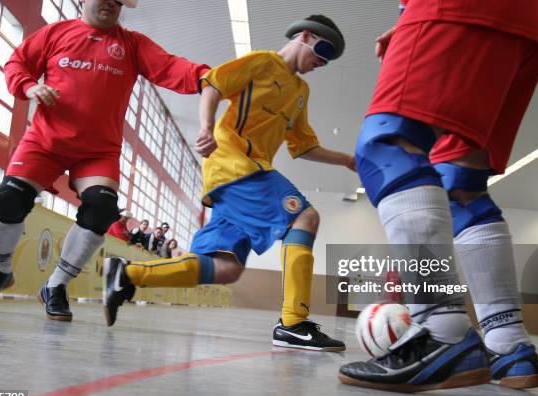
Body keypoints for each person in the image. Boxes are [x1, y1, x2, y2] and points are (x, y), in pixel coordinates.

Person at [339, 0, 538, 392]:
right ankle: (508, 344)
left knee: (386, 148)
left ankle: (441, 329)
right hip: (527, 24)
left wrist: (412, 15)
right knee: (461, 187)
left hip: (454, 7)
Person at [103, 15, 355, 351]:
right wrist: (206, 127)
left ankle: (127, 275)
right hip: (235, 166)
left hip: (237, 183)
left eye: (327, 61)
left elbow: (304, 146)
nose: (320, 63)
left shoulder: (300, 92)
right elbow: (214, 83)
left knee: (225, 268)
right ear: (305, 36)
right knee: (305, 217)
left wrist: (349, 161)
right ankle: (293, 322)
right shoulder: (263, 62)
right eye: (321, 51)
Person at [0, 0, 210, 323]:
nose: (110, 3)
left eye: (117, 0)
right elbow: (17, 64)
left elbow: (171, 67)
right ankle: (0, 269)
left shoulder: (132, 44)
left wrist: (210, 77)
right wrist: (30, 86)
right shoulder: (55, 33)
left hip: (98, 151)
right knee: (10, 196)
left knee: (102, 208)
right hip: (45, 141)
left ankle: (55, 286)